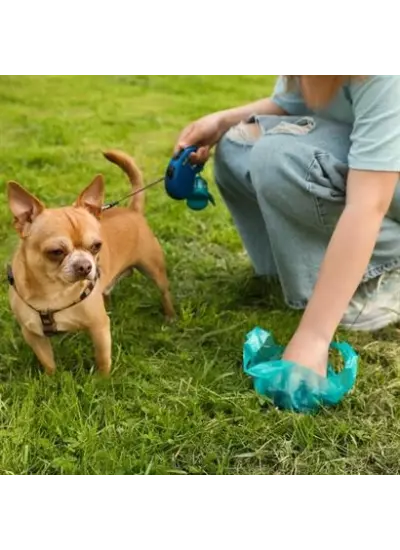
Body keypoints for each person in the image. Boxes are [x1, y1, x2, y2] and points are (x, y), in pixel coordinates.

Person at [174, 73, 400, 377]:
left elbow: (367, 205)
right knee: (237, 144)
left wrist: (314, 338)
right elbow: (292, 103)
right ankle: (304, 274)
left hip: (384, 183)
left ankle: (386, 269)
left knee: (278, 157)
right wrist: (222, 121)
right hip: (367, 158)